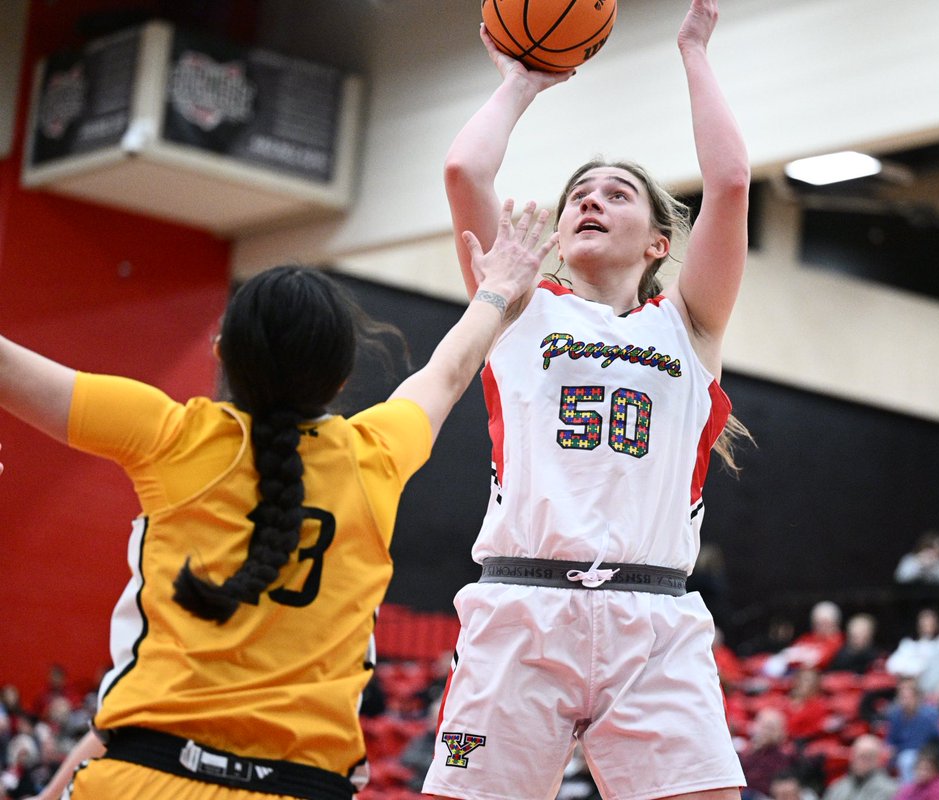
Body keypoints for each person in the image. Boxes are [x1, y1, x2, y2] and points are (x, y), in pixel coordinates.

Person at [0, 202, 554, 800]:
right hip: (303, 785)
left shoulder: (167, 435)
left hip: (143, 778)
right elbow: (447, 372)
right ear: (341, 378)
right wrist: (497, 292)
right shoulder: (375, 457)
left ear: (222, 352)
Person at [423, 2, 752, 799]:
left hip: (654, 617)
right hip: (521, 607)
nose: (590, 201)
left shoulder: (689, 323)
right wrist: (519, 82)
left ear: (657, 243)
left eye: (615, 194)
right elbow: (465, 173)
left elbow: (731, 182)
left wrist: (694, 51)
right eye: (579, 194)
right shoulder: (515, 302)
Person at [821, 735, 898, 800]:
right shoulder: (837, 788)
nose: (861, 762)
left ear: (878, 760)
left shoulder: (890, 789)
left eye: (868, 757)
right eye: (858, 756)